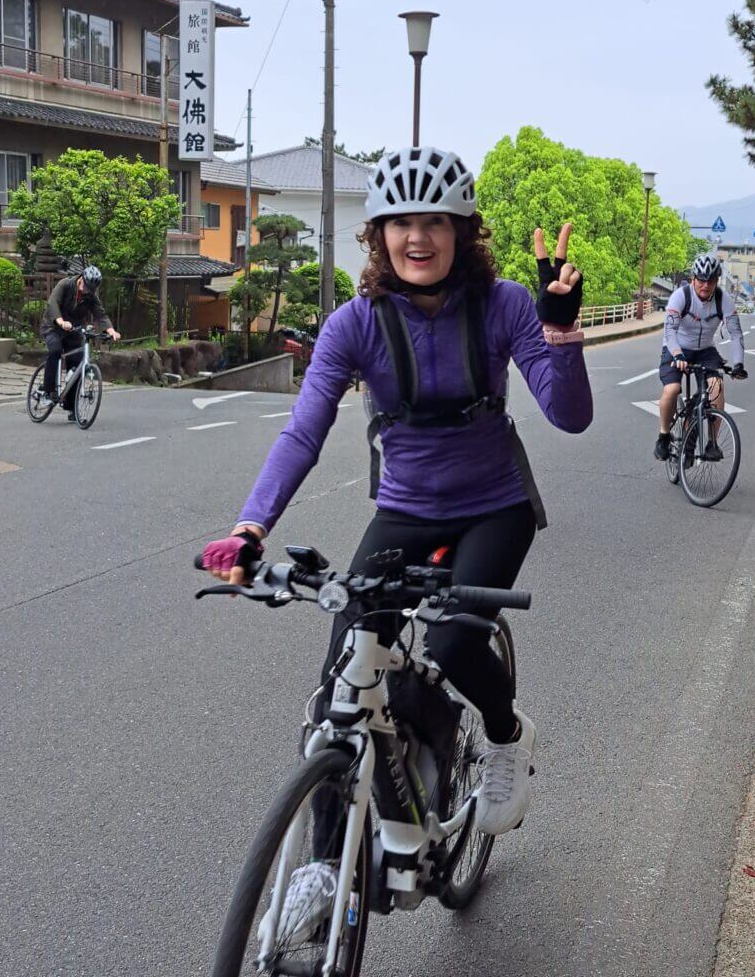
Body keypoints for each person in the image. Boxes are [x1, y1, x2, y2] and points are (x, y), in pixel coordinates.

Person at [200, 146, 592, 925]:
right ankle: (319, 867)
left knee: (448, 643)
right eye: (401, 223)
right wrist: (251, 525)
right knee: (342, 678)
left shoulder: (507, 303)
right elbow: (303, 432)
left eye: (436, 222)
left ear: (462, 231)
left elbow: (569, 414)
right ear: (377, 235)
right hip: (406, 510)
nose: (419, 238)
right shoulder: (355, 324)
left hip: (493, 506)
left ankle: (508, 736)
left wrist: (561, 332)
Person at [654, 252, 747, 462]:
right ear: (694, 278)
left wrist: (739, 364)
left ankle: (712, 443)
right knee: (672, 389)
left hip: (705, 349)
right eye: (701, 280)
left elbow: (735, 333)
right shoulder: (681, 296)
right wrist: (677, 355)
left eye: (711, 281)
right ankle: (663, 436)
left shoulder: (724, 300)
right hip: (676, 347)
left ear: (716, 281)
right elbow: (669, 332)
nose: (705, 285)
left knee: (716, 386)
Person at [40, 266, 120, 419]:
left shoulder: (90, 295)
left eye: (91, 289)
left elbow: (100, 313)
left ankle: (71, 407)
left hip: (74, 330)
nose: (87, 291)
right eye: (86, 287)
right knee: (55, 351)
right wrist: (60, 321)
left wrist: (111, 331)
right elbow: (53, 303)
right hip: (53, 327)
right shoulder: (65, 284)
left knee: (77, 364)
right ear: (81, 279)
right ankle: (47, 392)